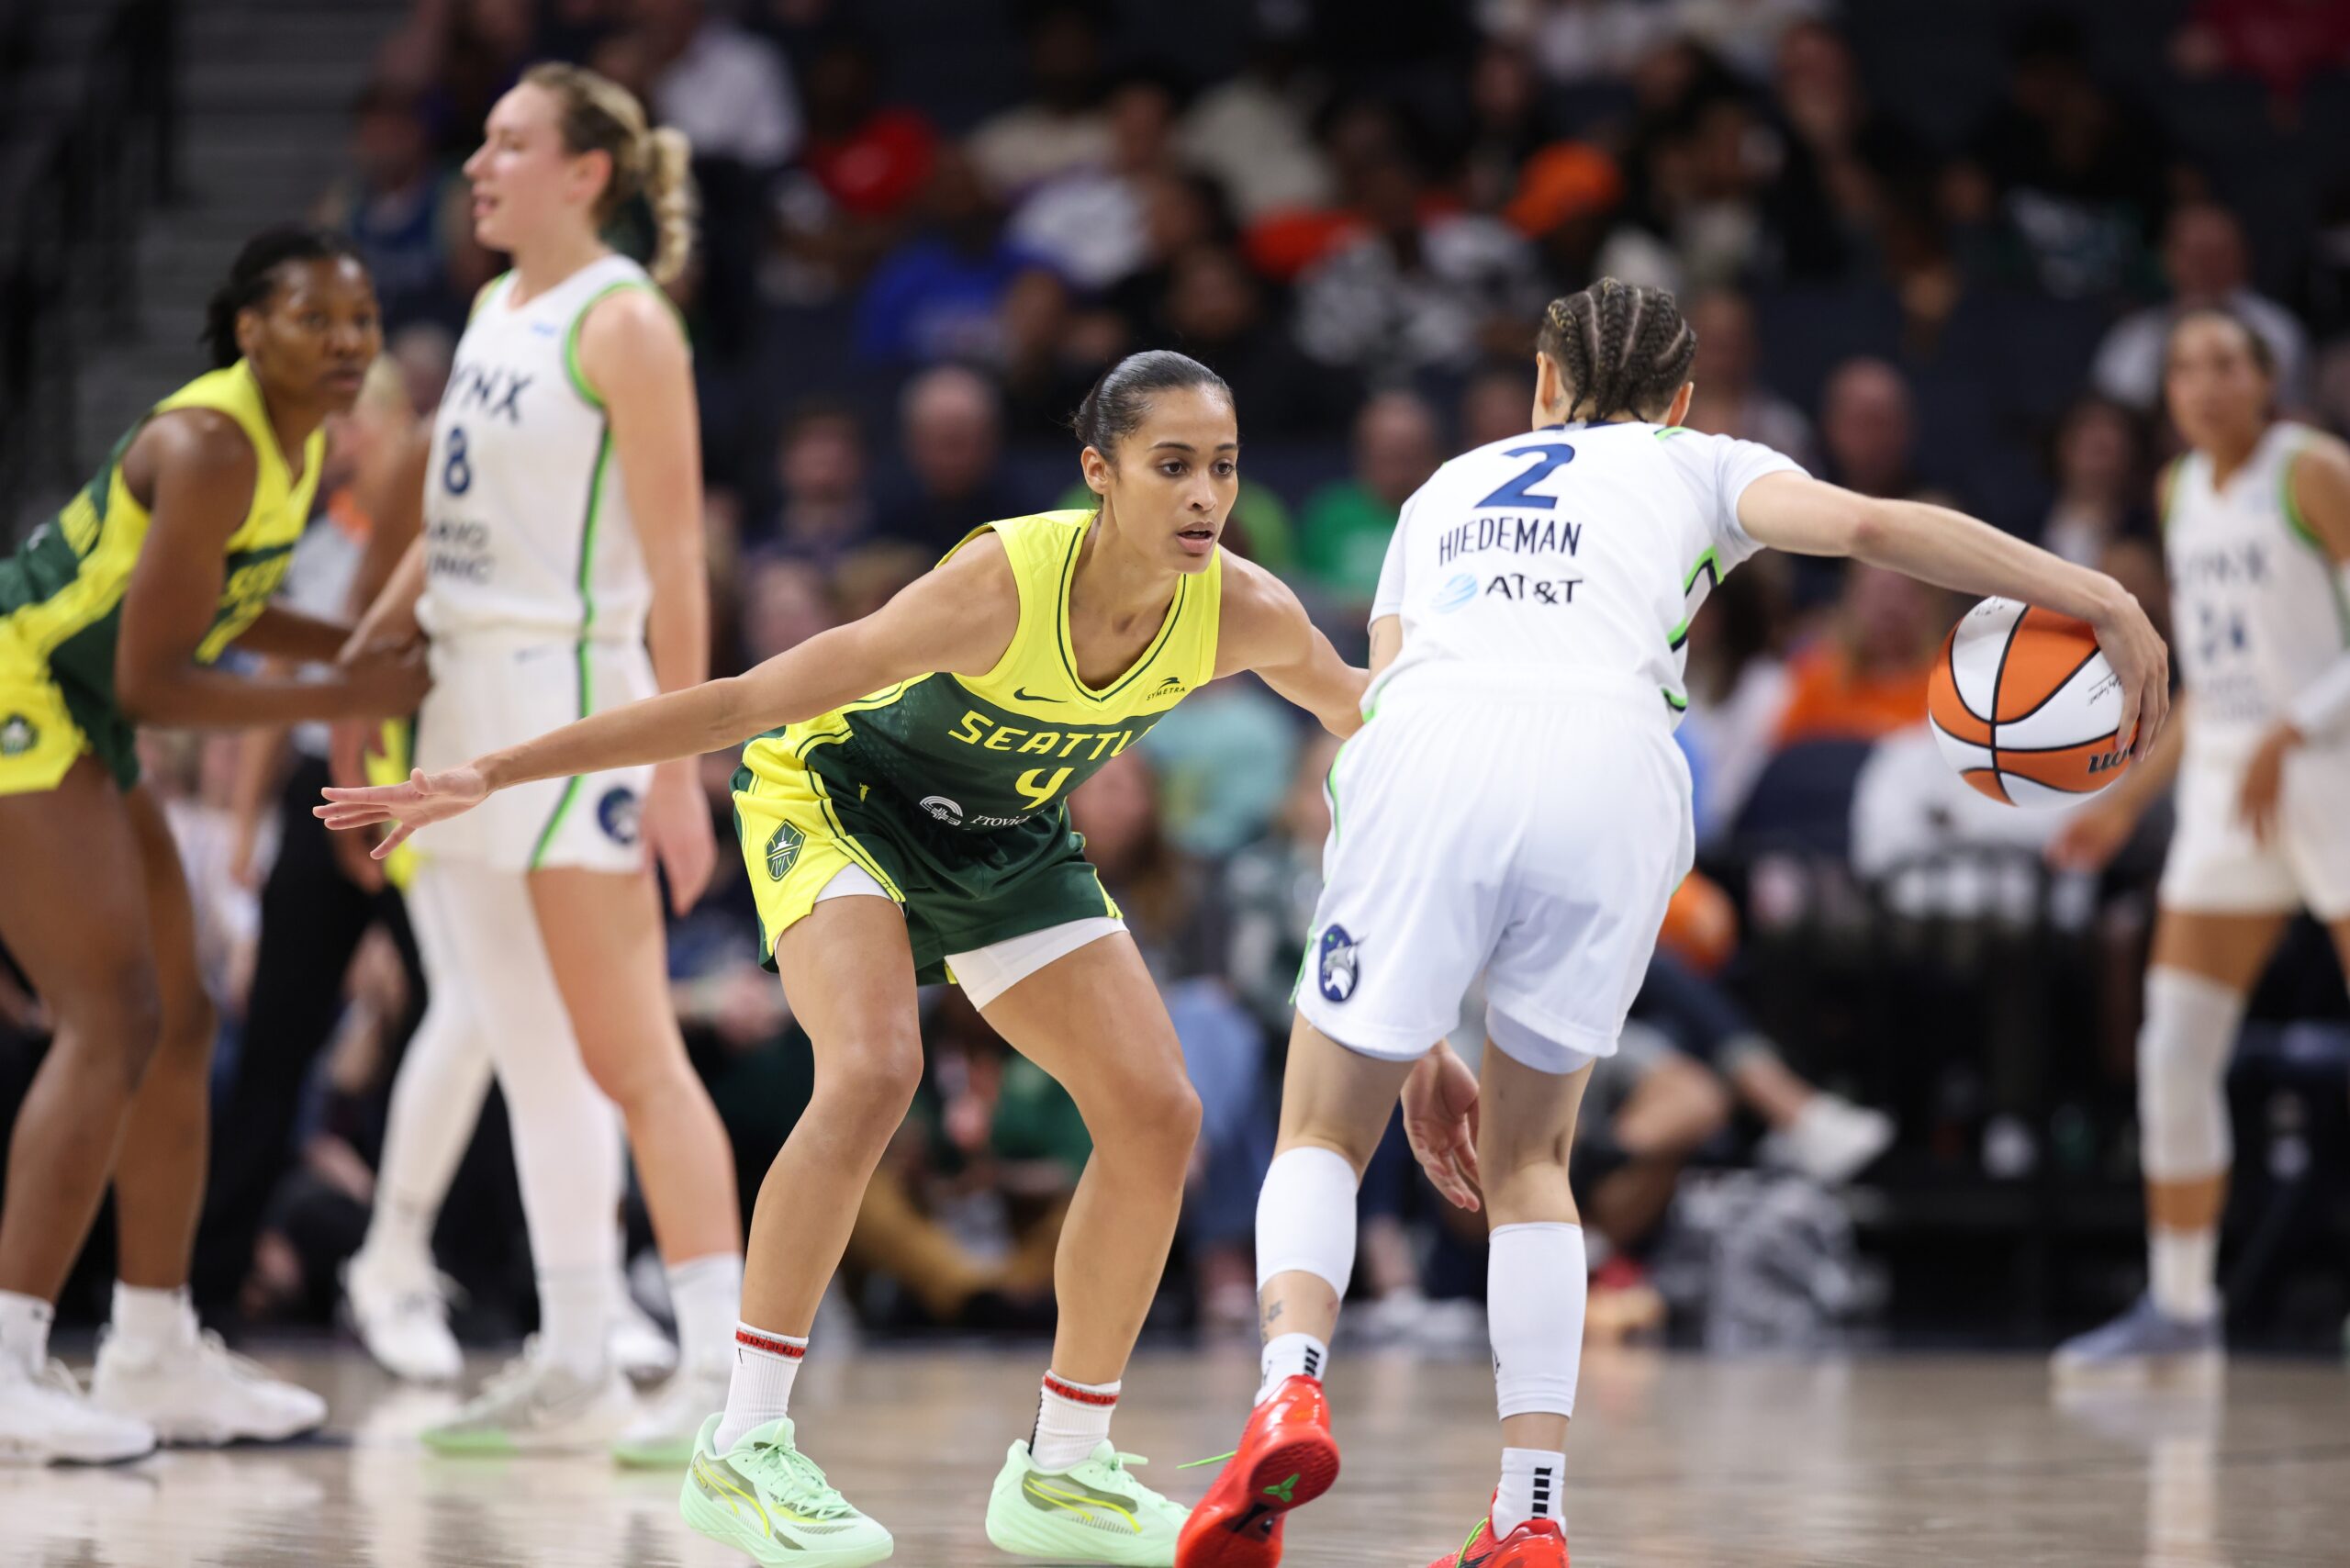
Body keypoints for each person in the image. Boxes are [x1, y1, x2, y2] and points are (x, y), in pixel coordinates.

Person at [1174, 277, 2169, 1568]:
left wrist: (1408, 1037)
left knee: (1319, 1126)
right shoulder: (1705, 463)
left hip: (1431, 749)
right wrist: (2099, 591)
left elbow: (1391, 717)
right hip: (1615, 768)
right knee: (1532, 1161)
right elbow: (1874, 525)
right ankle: (1529, 1511)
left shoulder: (1443, 491)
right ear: (1684, 400)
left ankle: (1288, 1390)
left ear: (1543, 383)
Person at [319, 348, 1366, 1568]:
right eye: (1171, 465)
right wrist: (493, 772)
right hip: (839, 801)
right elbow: (743, 700)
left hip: (1004, 832)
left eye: (1222, 468)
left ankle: (1064, 1470)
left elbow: (1371, 714)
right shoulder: (996, 585)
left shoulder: (1245, 609)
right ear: (1099, 471)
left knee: (1156, 1112)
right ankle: (742, 1444)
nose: (1203, 496)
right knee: (873, 1069)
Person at [331, 62, 743, 1462]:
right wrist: (359, 665)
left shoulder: (625, 321)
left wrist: (680, 761)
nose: (478, 166)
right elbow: (446, 539)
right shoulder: (494, 307)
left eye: (511, 144)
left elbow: (678, 554)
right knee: (525, 1049)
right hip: (460, 709)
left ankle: (720, 1372)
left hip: (573, 708)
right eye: (483, 143)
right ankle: (574, 1352)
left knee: (632, 1057)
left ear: (586, 174)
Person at [0, 226, 424, 1463]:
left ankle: (151, 1346)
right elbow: (155, 682)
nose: (345, 342)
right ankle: (9, 1359)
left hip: (80, 710)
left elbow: (223, 607)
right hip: (29, 695)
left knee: (181, 1017)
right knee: (110, 1016)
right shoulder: (208, 445)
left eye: (360, 320)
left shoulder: (299, 447)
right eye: (313, 319)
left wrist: (351, 649)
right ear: (249, 330)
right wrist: (345, 692)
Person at [2048, 308, 2350, 1374]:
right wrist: (2122, 803)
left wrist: (2295, 728)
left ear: (2266, 378)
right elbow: (2210, 690)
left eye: (2226, 363)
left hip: (2329, 772)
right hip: (2229, 786)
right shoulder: (2178, 489)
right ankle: (2180, 1309)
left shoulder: (2311, 469)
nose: (2205, 383)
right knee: (2173, 1049)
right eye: (2185, 367)